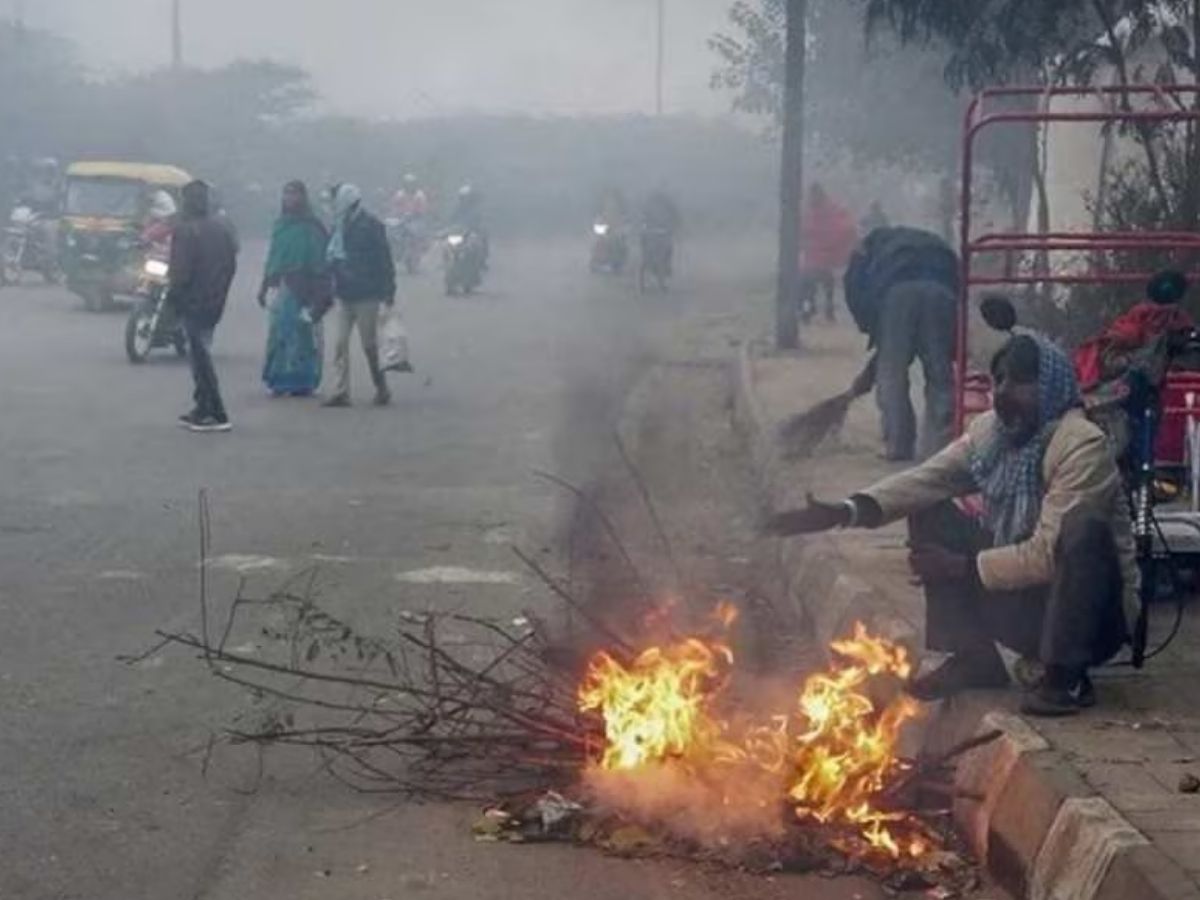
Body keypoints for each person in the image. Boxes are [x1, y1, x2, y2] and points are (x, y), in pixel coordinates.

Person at [766, 328, 1136, 717]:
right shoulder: (992, 434)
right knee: (927, 507)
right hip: (1026, 606)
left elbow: (1045, 554)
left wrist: (961, 567)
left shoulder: (1081, 445)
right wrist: (846, 511)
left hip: (1094, 621)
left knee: (1082, 529)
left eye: (1019, 382)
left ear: (1049, 386)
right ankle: (974, 658)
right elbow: (929, 479)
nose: (1004, 393)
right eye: (1000, 380)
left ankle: (1064, 679)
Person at [844, 226, 960, 461]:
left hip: (898, 296)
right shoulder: (934, 242)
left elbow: (853, 286)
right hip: (942, 293)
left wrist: (872, 327)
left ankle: (899, 445)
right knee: (940, 374)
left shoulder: (866, 248)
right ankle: (939, 447)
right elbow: (959, 278)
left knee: (891, 374)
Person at [167, 180, 239, 433]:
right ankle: (202, 406)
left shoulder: (186, 230)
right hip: (214, 300)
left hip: (193, 301)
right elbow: (231, 264)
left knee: (200, 359)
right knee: (200, 353)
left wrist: (175, 298)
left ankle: (216, 412)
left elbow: (180, 272)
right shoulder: (220, 228)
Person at [324, 183, 396, 408]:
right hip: (345, 293)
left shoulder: (371, 226)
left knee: (369, 345)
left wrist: (388, 291)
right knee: (340, 344)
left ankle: (381, 386)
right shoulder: (338, 226)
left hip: (367, 294)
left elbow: (384, 259)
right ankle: (341, 391)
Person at [259, 181, 331, 397]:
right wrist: (264, 286)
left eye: (294, 194)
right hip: (282, 286)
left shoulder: (312, 227)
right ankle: (278, 379)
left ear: (303, 198)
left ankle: (302, 380)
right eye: (286, 194)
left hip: (305, 287)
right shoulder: (281, 226)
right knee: (279, 332)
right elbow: (273, 257)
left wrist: (320, 292)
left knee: (303, 334)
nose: (290, 198)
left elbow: (320, 260)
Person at [798, 183, 857, 323]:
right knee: (816, 288)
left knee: (815, 288)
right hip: (818, 261)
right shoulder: (822, 210)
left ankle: (814, 311)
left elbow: (845, 228)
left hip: (818, 261)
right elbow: (846, 228)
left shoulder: (818, 211)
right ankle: (816, 311)